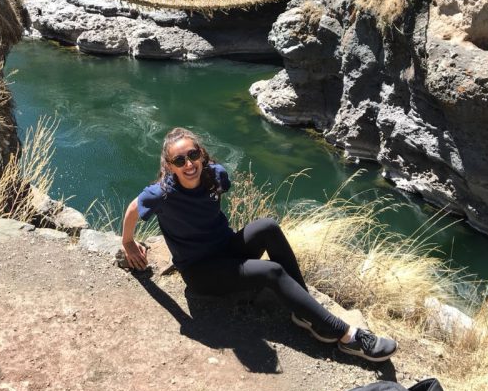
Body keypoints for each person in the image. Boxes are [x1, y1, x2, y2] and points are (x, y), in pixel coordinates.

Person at [121, 127, 398, 362]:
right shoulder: (162, 193)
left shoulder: (215, 174)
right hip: (201, 273)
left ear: (201, 155)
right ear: (170, 166)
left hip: (226, 248)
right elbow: (134, 207)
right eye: (179, 160)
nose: (189, 164)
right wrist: (128, 241)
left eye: (193, 155)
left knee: (267, 226)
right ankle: (345, 335)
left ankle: (304, 314)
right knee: (271, 271)